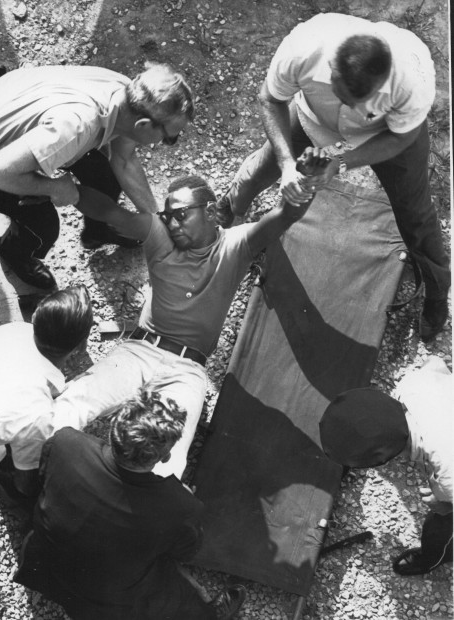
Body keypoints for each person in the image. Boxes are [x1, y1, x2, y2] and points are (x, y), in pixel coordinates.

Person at [50, 149, 330, 479]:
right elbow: (112, 212)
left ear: (211, 212)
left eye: (181, 214)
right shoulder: (159, 236)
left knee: (170, 464)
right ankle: (39, 473)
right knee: (70, 406)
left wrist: (307, 182)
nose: (171, 223)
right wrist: (66, 191)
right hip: (138, 351)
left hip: (188, 370)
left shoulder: (237, 244)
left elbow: (285, 215)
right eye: (168, 216)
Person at [218, 13, 450, 342]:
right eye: (340, 93)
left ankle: (437, 290)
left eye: (359, 101)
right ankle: (230, 204)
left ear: (383, 84)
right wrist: (287, 164)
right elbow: (271, 100)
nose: (348, 105)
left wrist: (338, 161)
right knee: (265, 163)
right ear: (330, 66)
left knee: (415, 212)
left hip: (385, 134)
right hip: (314, 117)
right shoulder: (303, 48)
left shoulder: (412, 81)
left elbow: (400, 139)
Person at [0, 63, 194, 289]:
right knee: (42, 224)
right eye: (169, 137)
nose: (167, 142)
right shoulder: (77, 126)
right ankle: (14, 252)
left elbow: (124, 160)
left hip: (16, 107)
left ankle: (97, 231)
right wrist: (54, 188)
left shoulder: (126, 96)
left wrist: (156, 221)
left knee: (104, 177)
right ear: (143, 125)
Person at [13, 389, 247, 620]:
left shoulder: (65, 441)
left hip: (40, 564)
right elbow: (184, 553)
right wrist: (180, 501)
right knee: (176, 587)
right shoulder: (181, 506)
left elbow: (43, 480)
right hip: (102, 602)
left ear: (114, 429)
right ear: (165, 457)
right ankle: (206, 614)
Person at [0, 286, 94, 512]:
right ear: (81, 346)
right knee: (32, 491)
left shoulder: (15, 330)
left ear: (36, 319)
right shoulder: (36, 415)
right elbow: (26, 481)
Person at [319, 356, 452, 576]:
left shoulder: (447, 472)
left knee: (441, 525)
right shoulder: (409, 386)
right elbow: (435, 362)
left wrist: (446, 506)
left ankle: (433, 558)